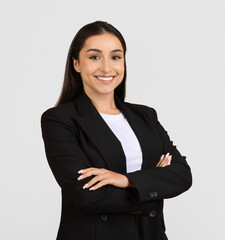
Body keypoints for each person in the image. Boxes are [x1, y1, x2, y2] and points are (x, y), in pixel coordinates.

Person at [40, 21, 192, 240]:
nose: (106, 68)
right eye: (94, 57)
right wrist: (153, 184)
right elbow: (89, 196)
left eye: (115, 57)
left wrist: (125, 180)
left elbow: (181, 175)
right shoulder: (60, 120)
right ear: (76, 64)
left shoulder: (146, 116)